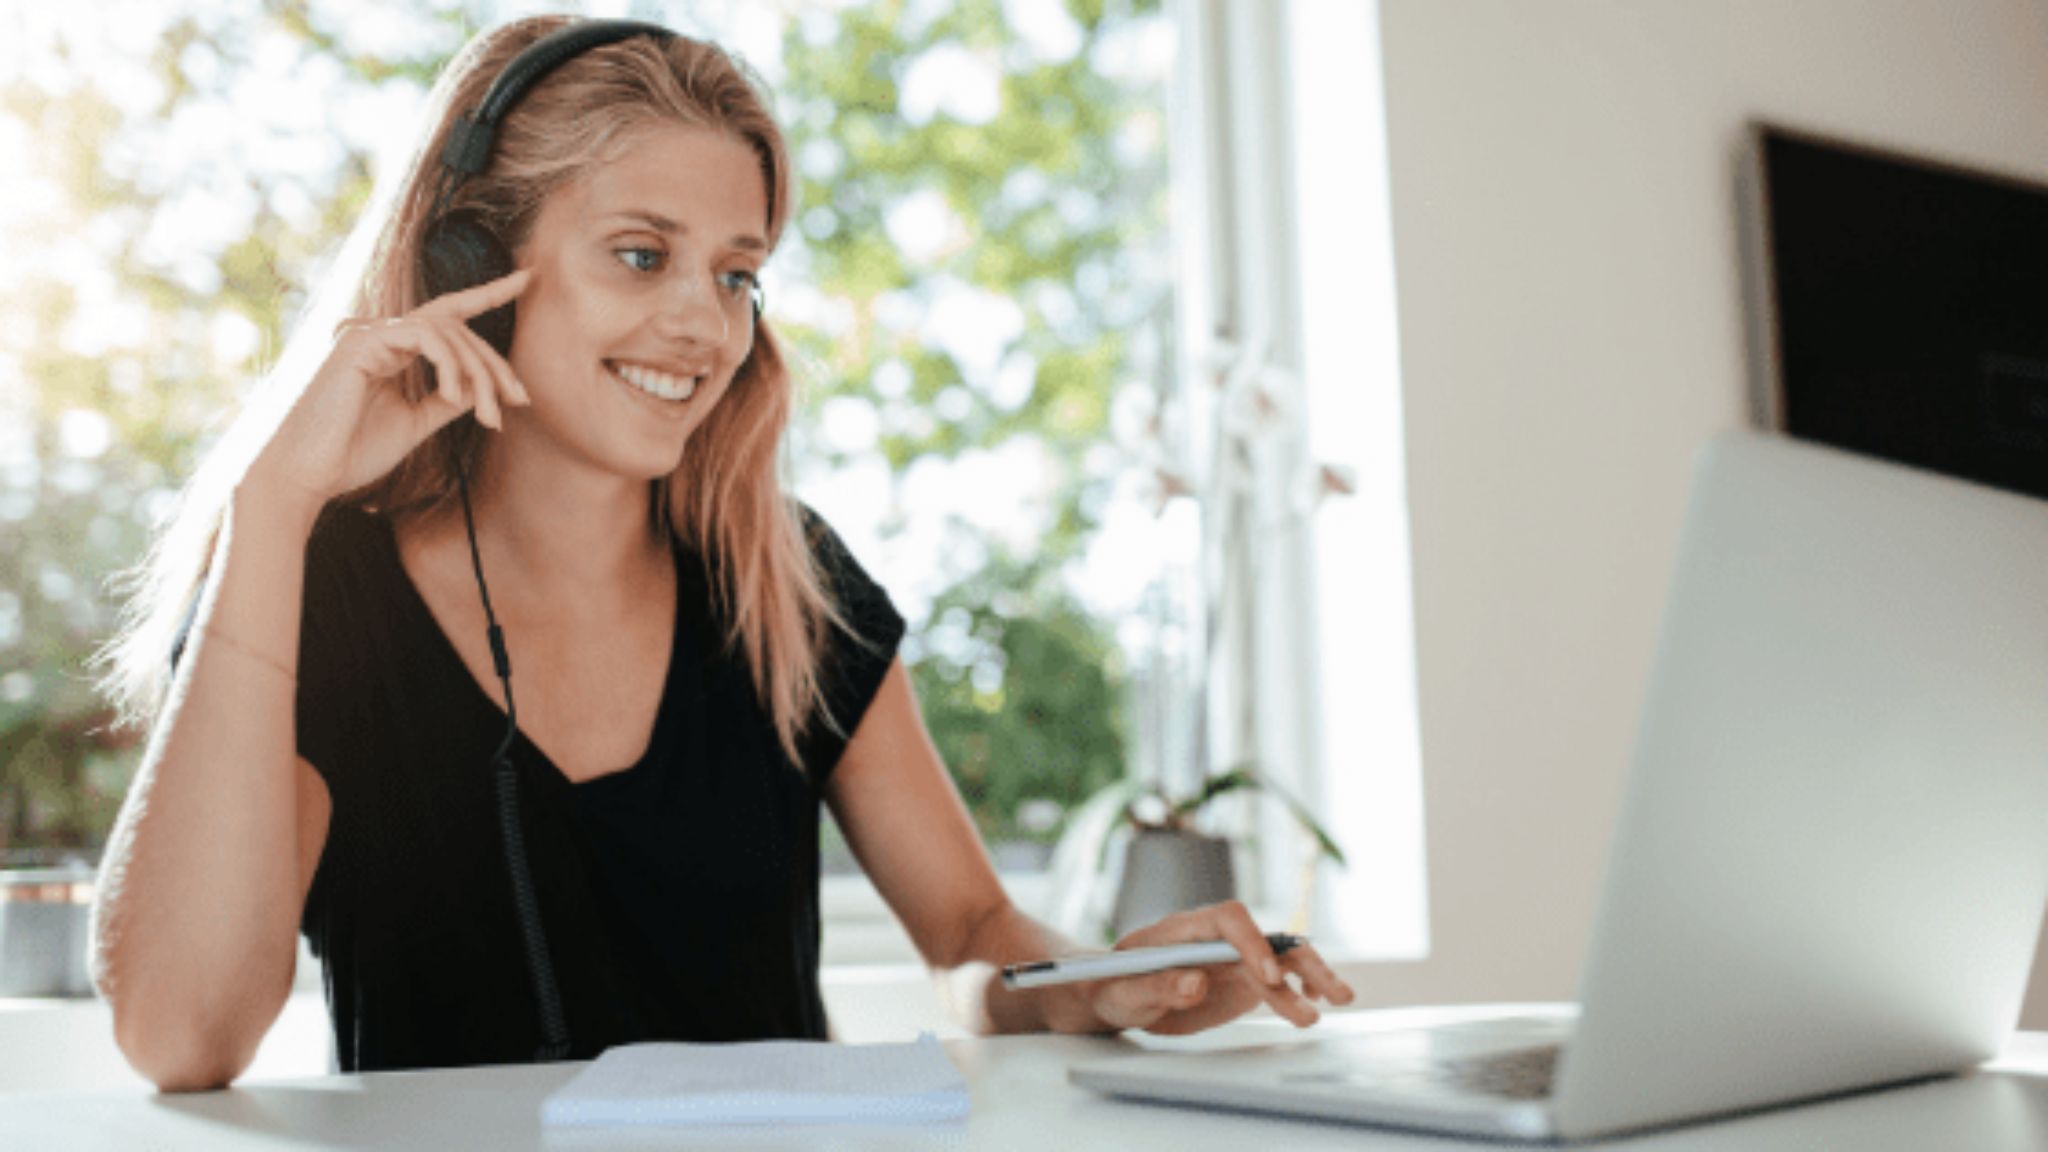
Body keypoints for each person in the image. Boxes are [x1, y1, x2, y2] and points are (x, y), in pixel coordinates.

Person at [86, 14, 1354, 1093]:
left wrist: (1105, 985)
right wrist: (275, 504)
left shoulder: (785, 581)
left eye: (738, 273)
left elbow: (971, 936)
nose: (702, 322)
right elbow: (181, 1034)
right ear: (473, 264)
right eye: (642, 255)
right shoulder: (323, 592)